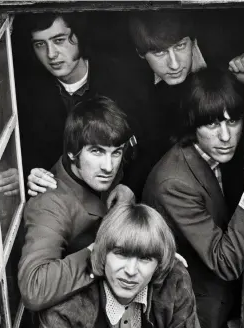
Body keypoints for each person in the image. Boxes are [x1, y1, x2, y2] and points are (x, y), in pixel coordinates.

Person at [143, 68, 244, 328]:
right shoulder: (174, 183)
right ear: (192, 125)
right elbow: (225, 263)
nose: (226, 136)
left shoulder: (214, 155)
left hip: (226, 303)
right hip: (192, 323)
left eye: (233, 121)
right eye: (212, 124)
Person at [39, 203, 205, 328]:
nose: (131, 271)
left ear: (158, 265)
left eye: (145, 258)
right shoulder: (65, 309)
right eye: (121, 254)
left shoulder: (173, 280)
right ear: (102, 253)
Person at [12, 13, 149, 199]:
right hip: (64, 201)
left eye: (59, 40)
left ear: (80, 37)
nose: (51, 54)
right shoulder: (28, 92)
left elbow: (150, 142)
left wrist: (130, 186)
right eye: (40, 44)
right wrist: (28, 171)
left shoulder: (122, 79)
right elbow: (28, 150)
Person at [18, 95, 133, 311]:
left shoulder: (98, 171)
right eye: (96, 151)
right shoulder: (49, 204)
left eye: (116, 153)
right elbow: (34, 288)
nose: (108, 167)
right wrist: (106, 249)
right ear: (72, 152)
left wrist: (127, 192)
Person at [128, 10, 244, 165]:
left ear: (194, 41)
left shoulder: (230, 50)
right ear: (140, 54)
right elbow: (153, 147)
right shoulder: (138, 89)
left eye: (180, 46)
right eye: (159, 53)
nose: (174, 64)